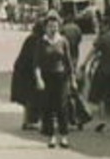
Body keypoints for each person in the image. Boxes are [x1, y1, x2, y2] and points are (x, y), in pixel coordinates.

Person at [32, 12, 77, 149]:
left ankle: (63, 136)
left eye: (55, 26)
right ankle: (51, 136)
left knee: (62, 107)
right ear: (45, 28)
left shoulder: (63, 41)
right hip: (46, 77)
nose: (53, 29)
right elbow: (36, 63)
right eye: (50, 26)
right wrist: (39, 79)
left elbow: (68, 62)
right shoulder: (41, 42)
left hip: (61, 77)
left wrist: (73, 79)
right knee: (48, 108)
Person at [8, 17, 45, 131]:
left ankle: (27, 121)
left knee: (28, 98)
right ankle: (31, 121)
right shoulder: (36, 40)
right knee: (33, 97)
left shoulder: (31, 39)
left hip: (22, 71)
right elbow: (35, 59)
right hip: (27, 72)